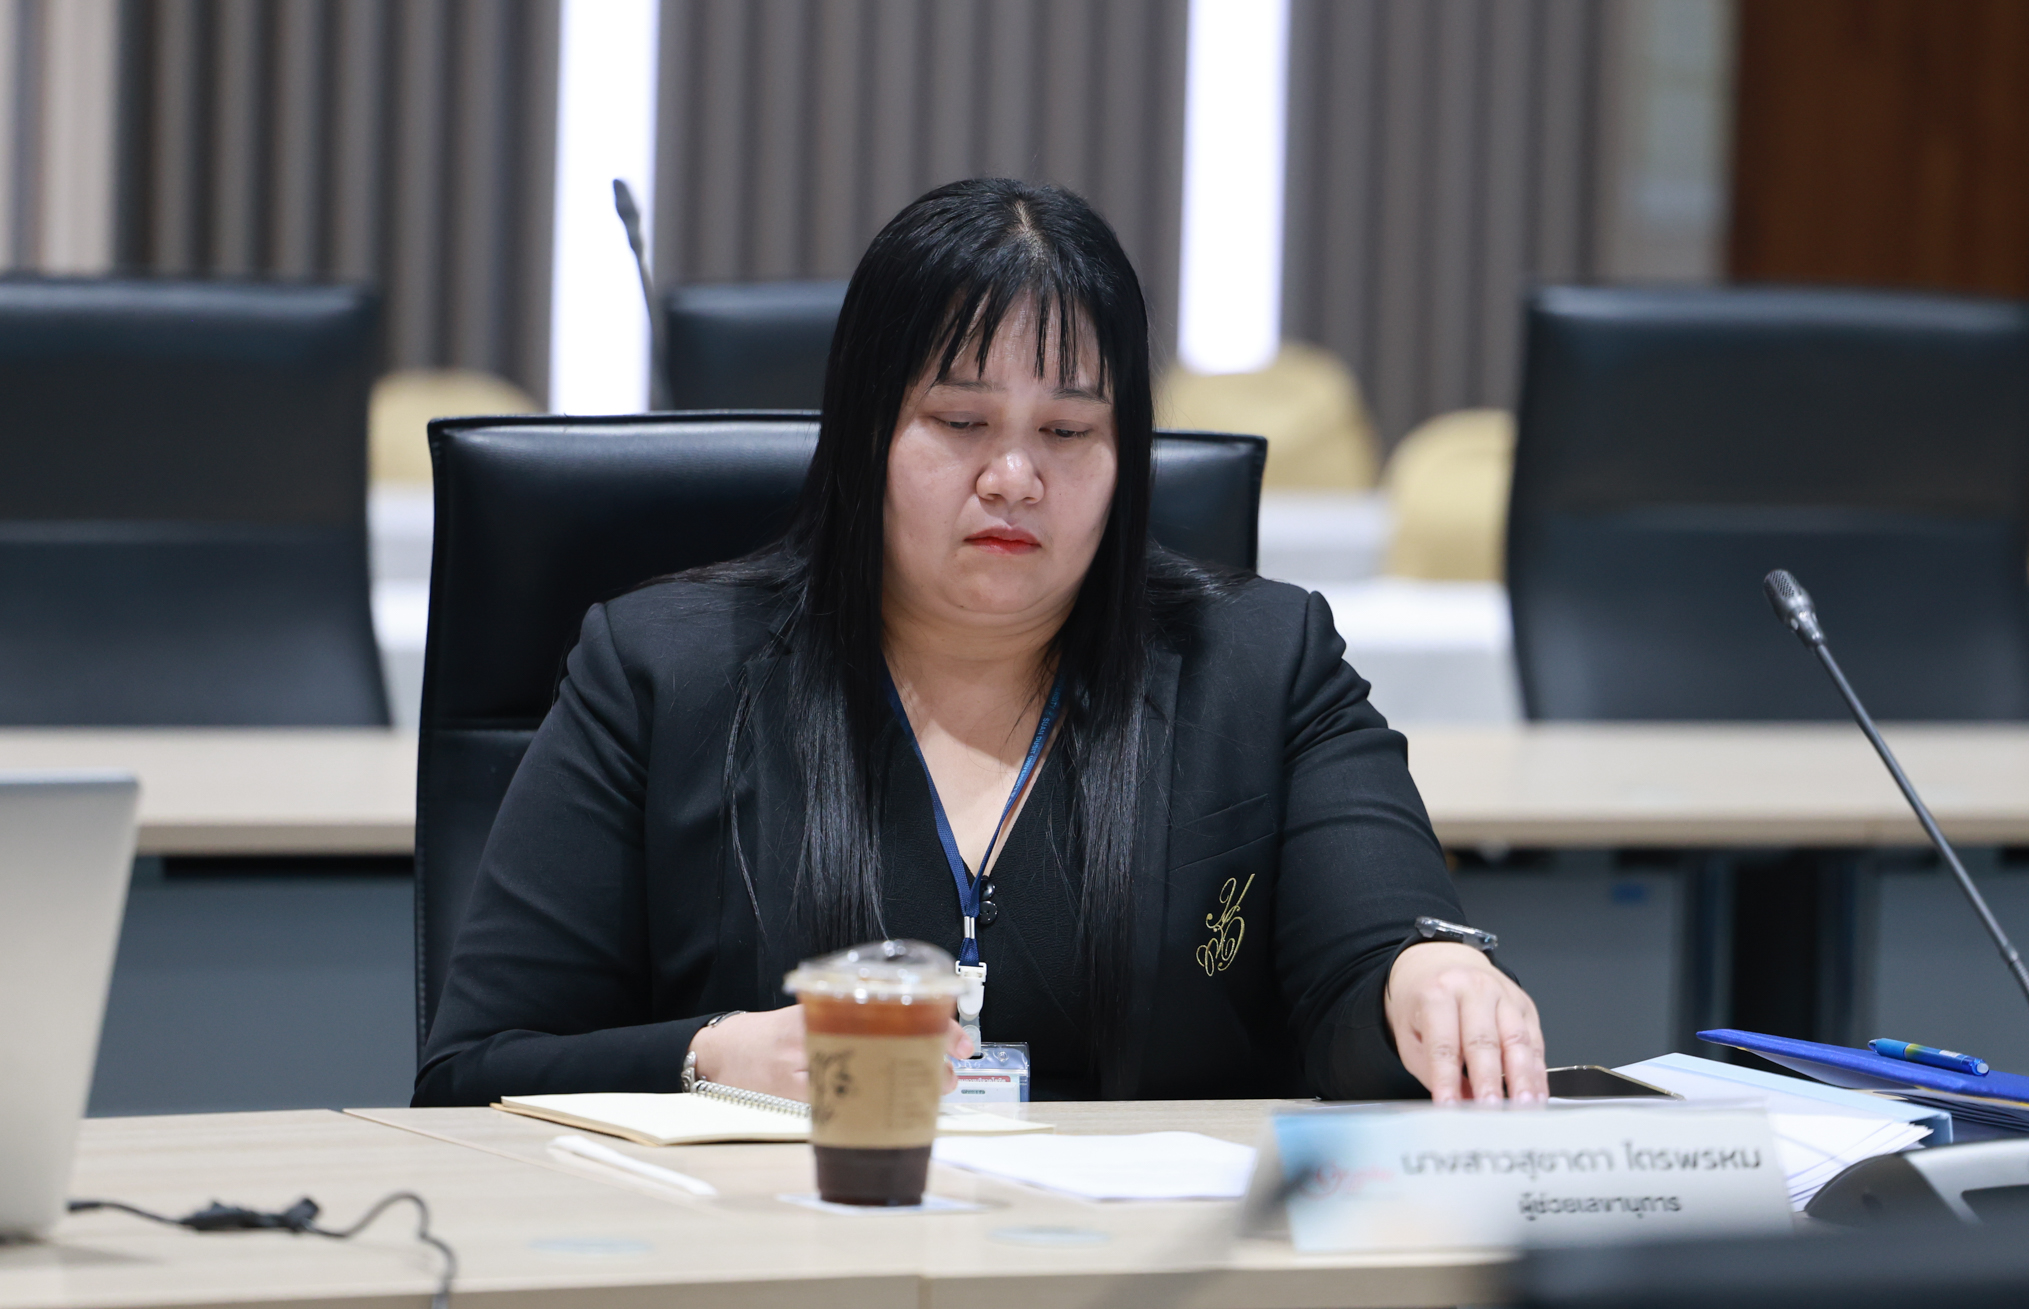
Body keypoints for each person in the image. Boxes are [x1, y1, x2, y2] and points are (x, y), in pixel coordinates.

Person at [415, 178, 1546, 1108]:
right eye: (959, 422)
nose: (1014, 476)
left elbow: (1371, 959)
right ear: (864, 434)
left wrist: (1425, 975)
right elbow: (474, 1069)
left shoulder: (1262, 661)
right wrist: (709, 1055)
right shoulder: (664, 672)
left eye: (1069, 430)